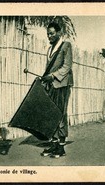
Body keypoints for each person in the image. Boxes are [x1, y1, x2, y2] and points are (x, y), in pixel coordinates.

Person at [40, 22, 73, 158]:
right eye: (48, 34)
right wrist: (46, 79)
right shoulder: (50, 49)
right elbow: (49, 68)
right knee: (52, 113)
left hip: (62, 84)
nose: (50, 36)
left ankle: (61, 147)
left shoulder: (66, 46)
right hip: (52, 85)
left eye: (52, 33)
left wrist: (53, 76)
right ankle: (53, 144)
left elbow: (67, 66)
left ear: (59, 33)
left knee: (60, 113)